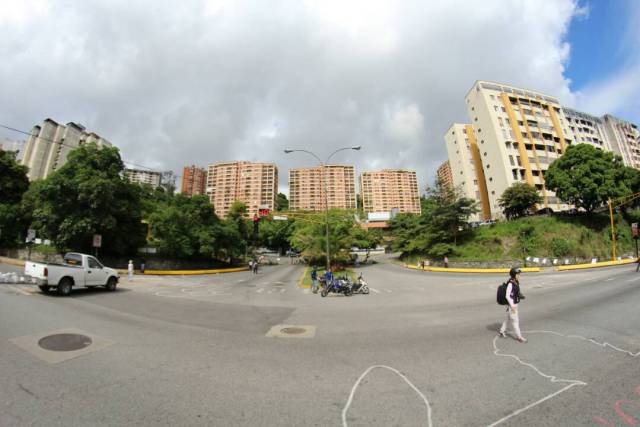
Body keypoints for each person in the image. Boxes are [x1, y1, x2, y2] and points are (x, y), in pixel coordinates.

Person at [499, 267, 527, 343]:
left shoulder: (515, 282)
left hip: (514, 304)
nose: (519, 275)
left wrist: (519, 295)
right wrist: (512, 306)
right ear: (514, 275)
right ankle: (519, 337)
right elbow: (507, 296)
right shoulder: (511, 283)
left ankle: (502, 331)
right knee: (515, 322)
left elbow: (515, 292)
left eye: (519, 274)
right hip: (512, 306)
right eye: (518, 274)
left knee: (508, 319)